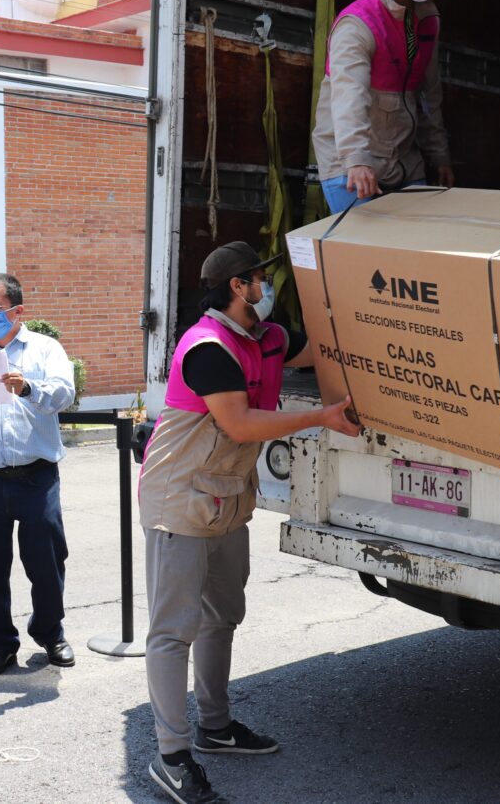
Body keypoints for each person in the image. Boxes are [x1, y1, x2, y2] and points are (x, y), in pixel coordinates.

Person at [138, 241, 361, 804]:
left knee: (223, 615)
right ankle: (171, 755)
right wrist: (323, 417)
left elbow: (316, 352)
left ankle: (215, 726)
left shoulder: (267, 338)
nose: (267, 286)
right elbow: (237, 424)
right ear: (239, 285)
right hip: (179, 498)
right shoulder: (207, 346)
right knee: (173, 631)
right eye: (261, 278)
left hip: (226, 496)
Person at [0, 273, 76, 677]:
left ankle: (49, 631)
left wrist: (27, 388)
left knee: (46, 562)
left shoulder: (45, 349)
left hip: (36, 476)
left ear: (17, 311)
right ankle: (0, 645)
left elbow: (63, 394)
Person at [312, 0, 455, 213]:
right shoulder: (359, 23)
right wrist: (356, 158)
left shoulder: (429, 20)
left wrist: (439, 157)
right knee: (363, 258)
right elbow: (348, 96)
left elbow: (429, 96)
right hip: (352, 167)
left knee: (415, 256)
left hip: (405, 164)